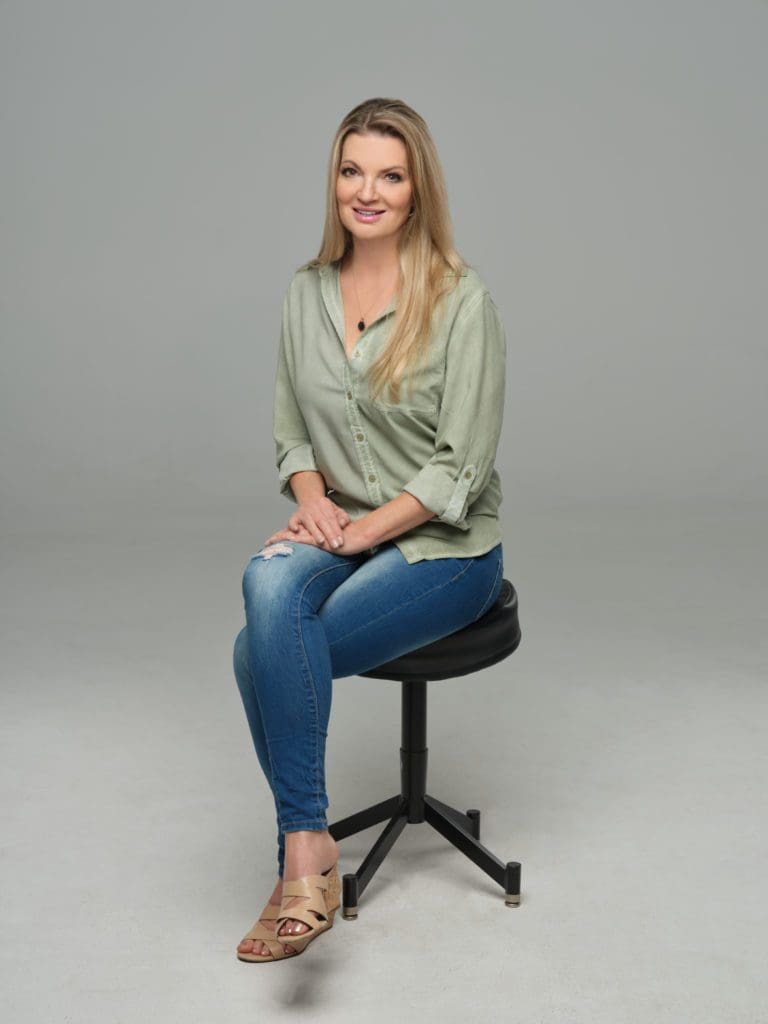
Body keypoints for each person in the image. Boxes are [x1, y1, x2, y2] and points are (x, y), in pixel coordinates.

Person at [233, 97, 507, 963]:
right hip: (345, 524)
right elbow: (292, 434)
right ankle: (309, 843)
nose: (368, 191)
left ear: (418, 190)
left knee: (256, 653)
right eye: (352, 171)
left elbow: (458, 471)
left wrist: (358, 536)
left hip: (443, 546)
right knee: (264, 582)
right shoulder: (304, 292)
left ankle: (299, 858)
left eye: (390, 175)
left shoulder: (461, 300)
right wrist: (314, 501)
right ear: (335, 181)